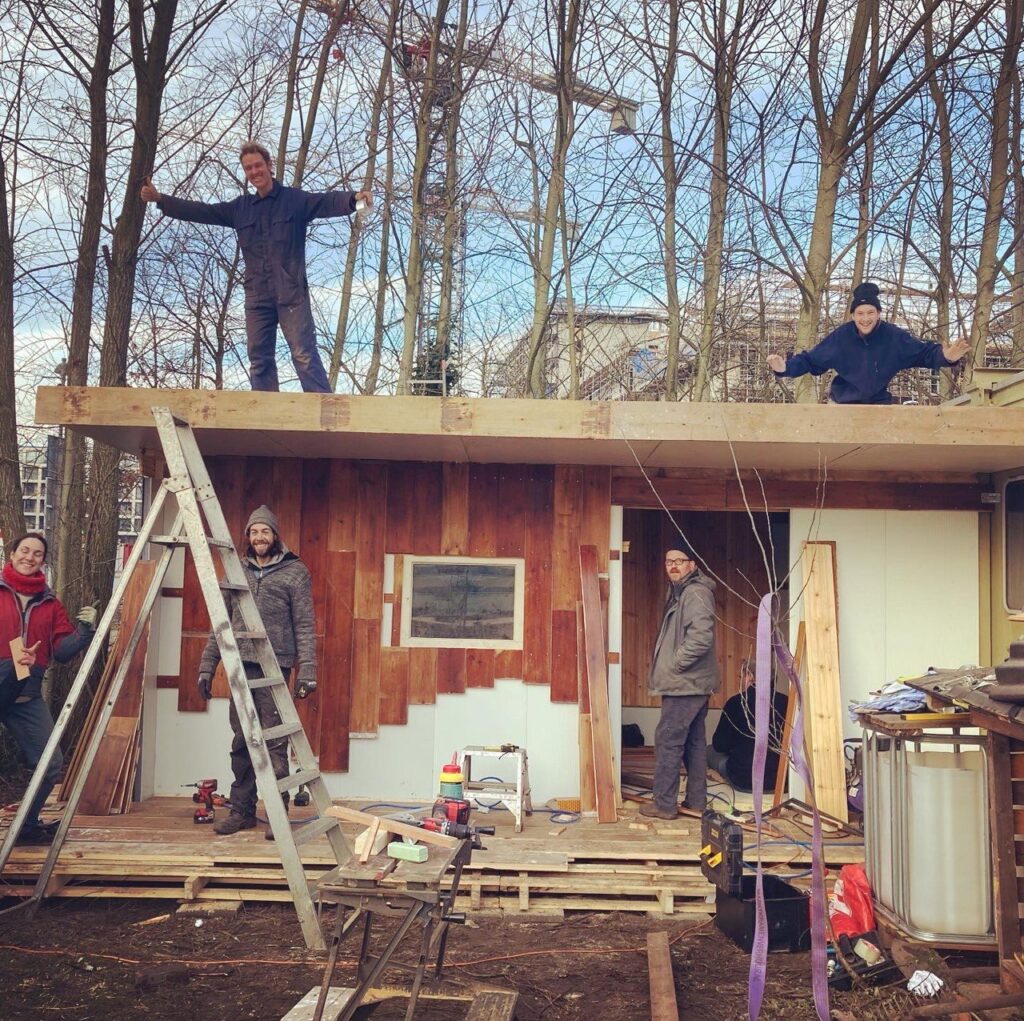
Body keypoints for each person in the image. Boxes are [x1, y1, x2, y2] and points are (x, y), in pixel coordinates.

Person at [140, 141, 373, 394]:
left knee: (303, 354)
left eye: (258, 165)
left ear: (269, 166)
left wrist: (352, 199)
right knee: (259, 359)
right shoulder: (240, 209)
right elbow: (202, 211)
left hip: (291, 294)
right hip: (257, 297)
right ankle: (265, 416)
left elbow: (324, 202)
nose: (254, 172)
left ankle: (325, 412)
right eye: (248, 168)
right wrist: (160, 199)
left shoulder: (293, 200)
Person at [198, 506, 317, 838]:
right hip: (239, 664)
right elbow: (220, 623)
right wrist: (208, 667)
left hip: (275, 664)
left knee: (275, 740)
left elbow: (305, 625)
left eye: (265, 531)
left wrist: (307, 670)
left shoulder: (295, 572)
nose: (259, 537)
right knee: (242, 740)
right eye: (253, 532)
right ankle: (242, 811)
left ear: (275, 535)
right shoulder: (236, 571)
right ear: (247, 537)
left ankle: (277, 813)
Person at [1, 534, 97, 844]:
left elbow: (64, 651)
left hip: (26, 696)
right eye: (24, 551)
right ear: (12, 554)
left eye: (37, 553)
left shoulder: (50, 603)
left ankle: (26, 827)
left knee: (51, 763)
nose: (30, 557)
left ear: (44, 561)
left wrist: (85, 632)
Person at [766, 281, 971, 404]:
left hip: (878, 405)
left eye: (870, 313)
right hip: (842, 403)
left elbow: (923, 353)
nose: (865, 319)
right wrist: (784, 368)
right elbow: (811, 360)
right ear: (853, 315)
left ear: (879, 314)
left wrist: (946, 357)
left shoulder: (893, 337)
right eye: (860, 313)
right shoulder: (841, 338)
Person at [640, 545, 719, 820]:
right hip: (692, 683)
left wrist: (675, 665)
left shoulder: (695, 593)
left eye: (679, 561)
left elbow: (700, 638)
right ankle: (696, 802)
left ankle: (664, 804)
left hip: (685, 684)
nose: (673, 565)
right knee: (694, 743)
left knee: (668, 741)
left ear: (691, 564)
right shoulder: (681, 593)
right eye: (668, 561)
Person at [708, 659, 789, 793]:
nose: (741, 681)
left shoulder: (736, 702)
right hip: (779, 782)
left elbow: (720, 745)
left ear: (750, 676)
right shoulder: (786, 702)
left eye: (742, 676)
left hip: (744, 780)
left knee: (709, 750)